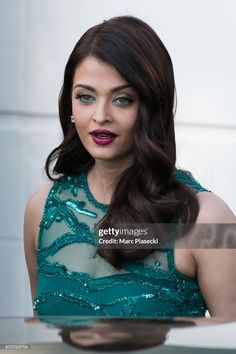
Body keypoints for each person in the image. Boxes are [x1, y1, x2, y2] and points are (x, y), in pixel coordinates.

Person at [24, 16, 236, 319]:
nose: (100, 115)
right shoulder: (41, 209)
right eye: (85, 97)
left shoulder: (210, 221)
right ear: (69, 106)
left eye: (122, 100)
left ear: (151, 107)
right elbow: (38, 342)